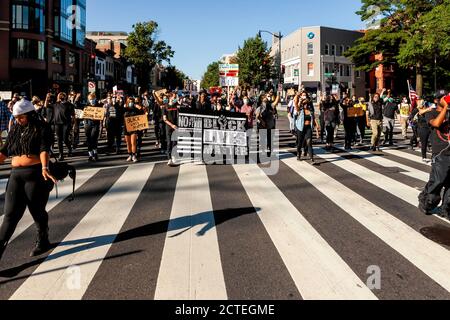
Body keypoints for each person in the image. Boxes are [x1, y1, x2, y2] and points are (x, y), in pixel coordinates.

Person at [0, 99, 57, 261]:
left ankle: (43, 239)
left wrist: (45, 168)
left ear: (31, 115)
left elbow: (44, 149)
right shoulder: (15, 129)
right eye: (16, 117)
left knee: (36, 210)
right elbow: (4, 152)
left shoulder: (42, 128)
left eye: (22, 117)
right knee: (10, 215)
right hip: (15, 176)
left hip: (35, 174)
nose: (18, 120)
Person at [418, 92, 450, 219]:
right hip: (440, 153)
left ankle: (446, 209)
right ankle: (426, 203)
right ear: (437, 100)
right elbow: (436, 124)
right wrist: (445, 106)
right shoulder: (431, 113)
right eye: (443, 98)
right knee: (438, 181)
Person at [294, 97, 320, 163]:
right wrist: (298, 97)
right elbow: (296, 104)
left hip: (308, 128)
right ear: (302, 104)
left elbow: (313, 119)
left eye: (307, 104)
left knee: (309, 143)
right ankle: (298, 155)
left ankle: (312, 158)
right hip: (301, 128)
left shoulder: (310, 111)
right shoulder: (300, 110)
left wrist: (317, 125)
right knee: (300, 142)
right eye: (304, 104)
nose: (306, 105)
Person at [52, 92, 75, 161]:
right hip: (57, 123)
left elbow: (73, 115)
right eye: (59, 96)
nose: (61, 97)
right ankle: (61, 154)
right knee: (59, 139)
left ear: (65, 97)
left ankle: (69, 148)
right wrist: (47, 98)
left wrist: (74, 124)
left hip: (66, 123)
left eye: (62, 96)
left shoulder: (69, 105)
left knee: (65, 138)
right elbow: (46, 106)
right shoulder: (56, 104)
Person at [123, 97, 144, 163]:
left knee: (133, 142)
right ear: (127, 102)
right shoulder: (125, 109)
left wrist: (139, 107)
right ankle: (130, 155)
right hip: (126, 128)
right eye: (129, 102)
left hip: (134, 128)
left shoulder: (136, 109)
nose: (131, 103)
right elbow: (119, 111)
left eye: (132, 102)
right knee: (128, 143)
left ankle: (134, 155)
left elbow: (143, 114)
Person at [84, 93, 103, 162]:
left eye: (93, 99)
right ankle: (90, 155)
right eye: (90, 99)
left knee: (93, 138)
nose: (92, 100)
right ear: (88, 100)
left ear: (95, 99)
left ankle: (95, 153)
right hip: (88, 124)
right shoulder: (86, 106)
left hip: (95, 124)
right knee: (88, 139)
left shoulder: (99, 106)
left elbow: (102, 112)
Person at [163, 94, 179, 167]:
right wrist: (172, 125)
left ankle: (174, 156)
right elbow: (165, 119)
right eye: (174, 97)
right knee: (169, 143)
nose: (175, 98)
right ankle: (169, 158)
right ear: (170, 98)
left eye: (175, 97)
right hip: (169, 127)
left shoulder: (176, 106)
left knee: (175, 143)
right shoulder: (165, 106)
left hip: (176, 127)